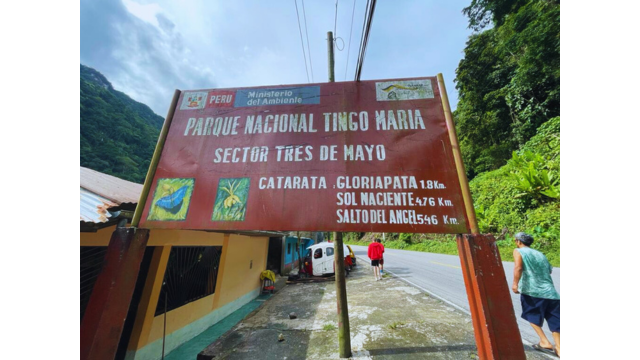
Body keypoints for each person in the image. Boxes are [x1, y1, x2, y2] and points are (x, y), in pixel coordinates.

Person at [512, 232, 560, 358]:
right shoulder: (540, 254)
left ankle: (544, 342)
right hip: (551, 293)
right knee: (554, 319)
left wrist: (515, 284)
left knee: (531, 314)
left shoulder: (518, 251)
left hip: (533, 291)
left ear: (518, 241)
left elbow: (518, 267)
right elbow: (549, 270)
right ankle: (560, 348)